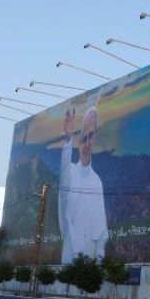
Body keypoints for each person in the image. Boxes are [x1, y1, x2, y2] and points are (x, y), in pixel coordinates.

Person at [58, 105, 109, 263]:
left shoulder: (97, 181)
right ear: (78, 143)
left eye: (90, 136)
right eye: (83, 139)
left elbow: (101, 228)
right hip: (69, 256)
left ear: (94, 138)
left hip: (91, 260)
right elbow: (64, 166)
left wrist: (100, 259)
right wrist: (68, 138)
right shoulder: (70, 173)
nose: (86, 144)